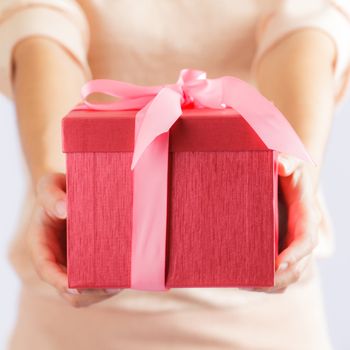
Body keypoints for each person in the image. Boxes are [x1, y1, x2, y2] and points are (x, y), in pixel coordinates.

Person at [1, 0, 349, 349]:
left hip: (266, 308)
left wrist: (294, 169)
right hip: (71, 313)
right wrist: (59, 179)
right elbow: (40, 19)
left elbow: (307, 18)